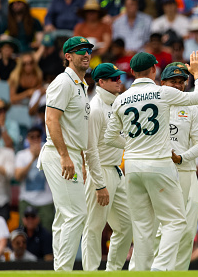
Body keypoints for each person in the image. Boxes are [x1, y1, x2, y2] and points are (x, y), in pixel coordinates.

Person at [102, 51, 198, 271]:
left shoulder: (121, 98)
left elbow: (110, 137)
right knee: (176, 221)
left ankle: (141, 271)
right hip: (159, 164)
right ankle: (159, 269)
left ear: (131, 71)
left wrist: (132, 145)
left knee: (142, 226)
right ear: (153, 70)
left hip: (132, 166)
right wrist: (197, 74)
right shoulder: (162, 93)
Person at [39, 36, 94, 271]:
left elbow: (75, 128)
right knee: (76, 213)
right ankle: (63, 271)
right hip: (58, 153)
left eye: (88, 50)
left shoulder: (81, 85)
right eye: (80, 50)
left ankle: (59, 271)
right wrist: (64, 155)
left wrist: (79, 159)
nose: (86, 54)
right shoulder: (63, 82)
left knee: (64, 216)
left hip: (71, 154)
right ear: (68, 56)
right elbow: (51, 120)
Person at [158, 64, 198, 270]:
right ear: (162, 83)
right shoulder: (156, 103)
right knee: (160, 230)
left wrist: (181, 158)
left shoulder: (191, 106)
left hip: (186, 173)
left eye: (181, 82)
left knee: (186, 229)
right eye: (172, 82)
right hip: (160, 173)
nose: (178, 86)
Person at [82, 63, 132, 271]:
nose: (119, 81)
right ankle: (91, 273)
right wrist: (99, 184)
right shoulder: (95, 109)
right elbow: (89, 150)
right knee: (94, 227)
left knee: (126, 225)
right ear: (100, 82)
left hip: (115, 171)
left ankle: (113, 271)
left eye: (119, 78)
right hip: (100, 171)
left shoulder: (114, 105)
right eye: (114, 79)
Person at [14, 127, 54, 230]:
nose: (35, 139)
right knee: (23, 233)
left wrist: (41, 156)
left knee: (48, 234)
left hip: (46, 201)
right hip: (27, 199)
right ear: (27, 138)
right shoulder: (21, 155)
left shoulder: (49, 153)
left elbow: (54, 174)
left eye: (38, 136)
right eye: (32, 137)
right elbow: (18, 177)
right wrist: (33, 158)